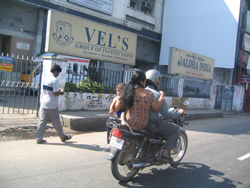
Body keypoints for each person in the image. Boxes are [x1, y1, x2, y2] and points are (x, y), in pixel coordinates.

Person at [145, 69, 185, 163]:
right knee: (175, 129)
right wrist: (179, 112)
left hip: (139, 122)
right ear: (157, 81)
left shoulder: (140, 91)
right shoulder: (156, 95)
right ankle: (165, 154)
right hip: (151, 124)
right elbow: (167, 114)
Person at [36, 64, 73, 144]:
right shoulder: (54, 80)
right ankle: (62, 136)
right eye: (58, 73)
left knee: (42, 122)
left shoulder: (45, 78)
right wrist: (61, 92)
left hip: (44, 103)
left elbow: (49, 89)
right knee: (56, 121)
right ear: (55, 71)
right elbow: (55, 93)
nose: (58, 75)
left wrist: (57, 91)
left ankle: (39, 138)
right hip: (52, 103)